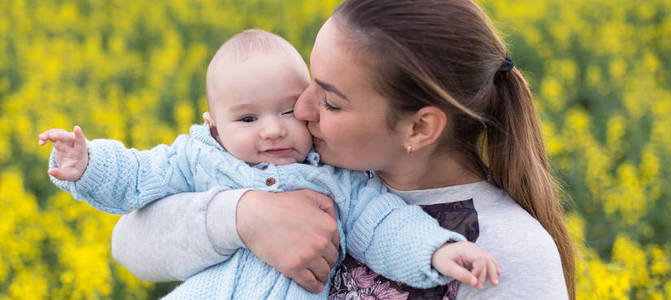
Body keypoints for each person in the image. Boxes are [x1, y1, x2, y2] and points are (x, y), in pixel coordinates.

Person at [113, 0, 576, 298]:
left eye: (331, 100)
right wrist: (244, 218)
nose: (303, 109)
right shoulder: (309, 165)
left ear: (419, 128)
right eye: (309, 84)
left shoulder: (506, 254)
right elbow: (129, 245)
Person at [39, 29, 499, 299]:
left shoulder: (338, 180)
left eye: (287, 109)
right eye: (247, 117)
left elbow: (383, 226)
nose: (274, 130)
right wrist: (89, 163)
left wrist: (435, 251)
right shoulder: (198, 157)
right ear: (213, 126)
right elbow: (138, 178)